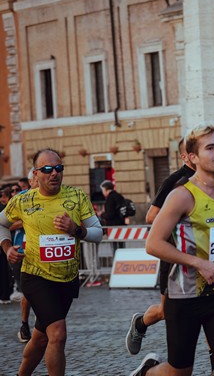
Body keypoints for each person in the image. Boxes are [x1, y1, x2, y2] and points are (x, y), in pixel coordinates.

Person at [131, 124, 214, 376]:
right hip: (184, 297)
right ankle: (147, 372)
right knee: (179, 372)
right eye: (210, 148)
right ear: (192, 157)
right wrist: (198, 262)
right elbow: (153, 243)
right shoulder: (181, 195)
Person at [0, 148, 103, 376]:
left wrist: (76, 229)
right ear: (36, 174)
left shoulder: (76, 197)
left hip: (67, 278)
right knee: (57, 333)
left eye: (58, 168)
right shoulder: (23, 200)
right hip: (36, 276)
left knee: (41, 337)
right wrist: (7, 248)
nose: (53, 173)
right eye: (47, 169)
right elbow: (1, 223)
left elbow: (98, 233)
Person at [126, 138, 207, 364]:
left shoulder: (212, 182)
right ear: (186, 156)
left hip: (206, 258)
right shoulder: (175, 181)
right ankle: (141, 323)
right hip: (175, 258)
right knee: (166, 311)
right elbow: (151, 216)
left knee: (211, 310)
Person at [10, 168, 37, 343]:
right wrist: (26, 221)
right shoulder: (22, 199)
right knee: (29, 293)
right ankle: (25, 324)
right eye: (36, 177)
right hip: (23, 253)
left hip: (44, 255)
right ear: (31, 180)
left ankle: (44, 325)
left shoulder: (55, 197)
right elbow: (7, 225)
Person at [100, 180, 127, 250]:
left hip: (113, 226)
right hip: (121, 224)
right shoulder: (119, 196)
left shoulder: (110, 199)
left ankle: (116, 259)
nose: (102, 192)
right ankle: (122, 259)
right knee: (122, 246)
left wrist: (102, 215)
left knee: (115, 247)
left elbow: (110, 215)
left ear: (106, 189)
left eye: (102, 190)